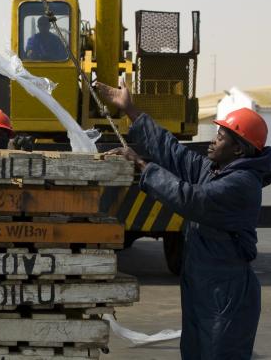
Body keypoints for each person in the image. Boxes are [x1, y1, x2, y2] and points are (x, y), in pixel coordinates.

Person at [97, 80, 271, 360]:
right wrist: (131, 110)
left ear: (238, 150)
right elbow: (172, 152)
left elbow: (191, 200)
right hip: (202, 286)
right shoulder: (216, 170)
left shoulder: (242, 183)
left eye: (221, 136)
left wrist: (142, 166)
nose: (213, 140)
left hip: (225, 293)